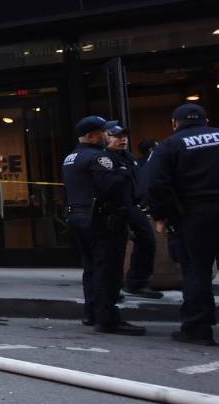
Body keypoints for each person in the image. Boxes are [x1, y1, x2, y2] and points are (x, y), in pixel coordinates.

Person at [145, 103, 219, 346]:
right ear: (205, 121)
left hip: (196, 214)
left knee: (196, 270)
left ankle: (198, 328)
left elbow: (155, 184)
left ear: (174, 124)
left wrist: (161, 216)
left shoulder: (170, 145)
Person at [62, 115, 142, 336]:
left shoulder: (71, 156)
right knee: (107, 269)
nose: (109, 135)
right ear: (91, 136)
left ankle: (92, 312)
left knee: (91, 268)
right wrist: (124, 171)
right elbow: (111, 186)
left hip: (78, 217)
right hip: (100, 219)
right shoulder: (99, 158)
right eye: (104, 132)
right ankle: (107, 318)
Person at [104, 122, 161, 300]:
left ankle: (136, 283)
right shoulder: (104, 158)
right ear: (106, 136)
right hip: (115, 207)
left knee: (147, 240)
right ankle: (115, 287)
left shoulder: (127, 157)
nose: (122, 139)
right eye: (117, 136)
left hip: (132, 205)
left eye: (124, 136)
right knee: (114, 249)